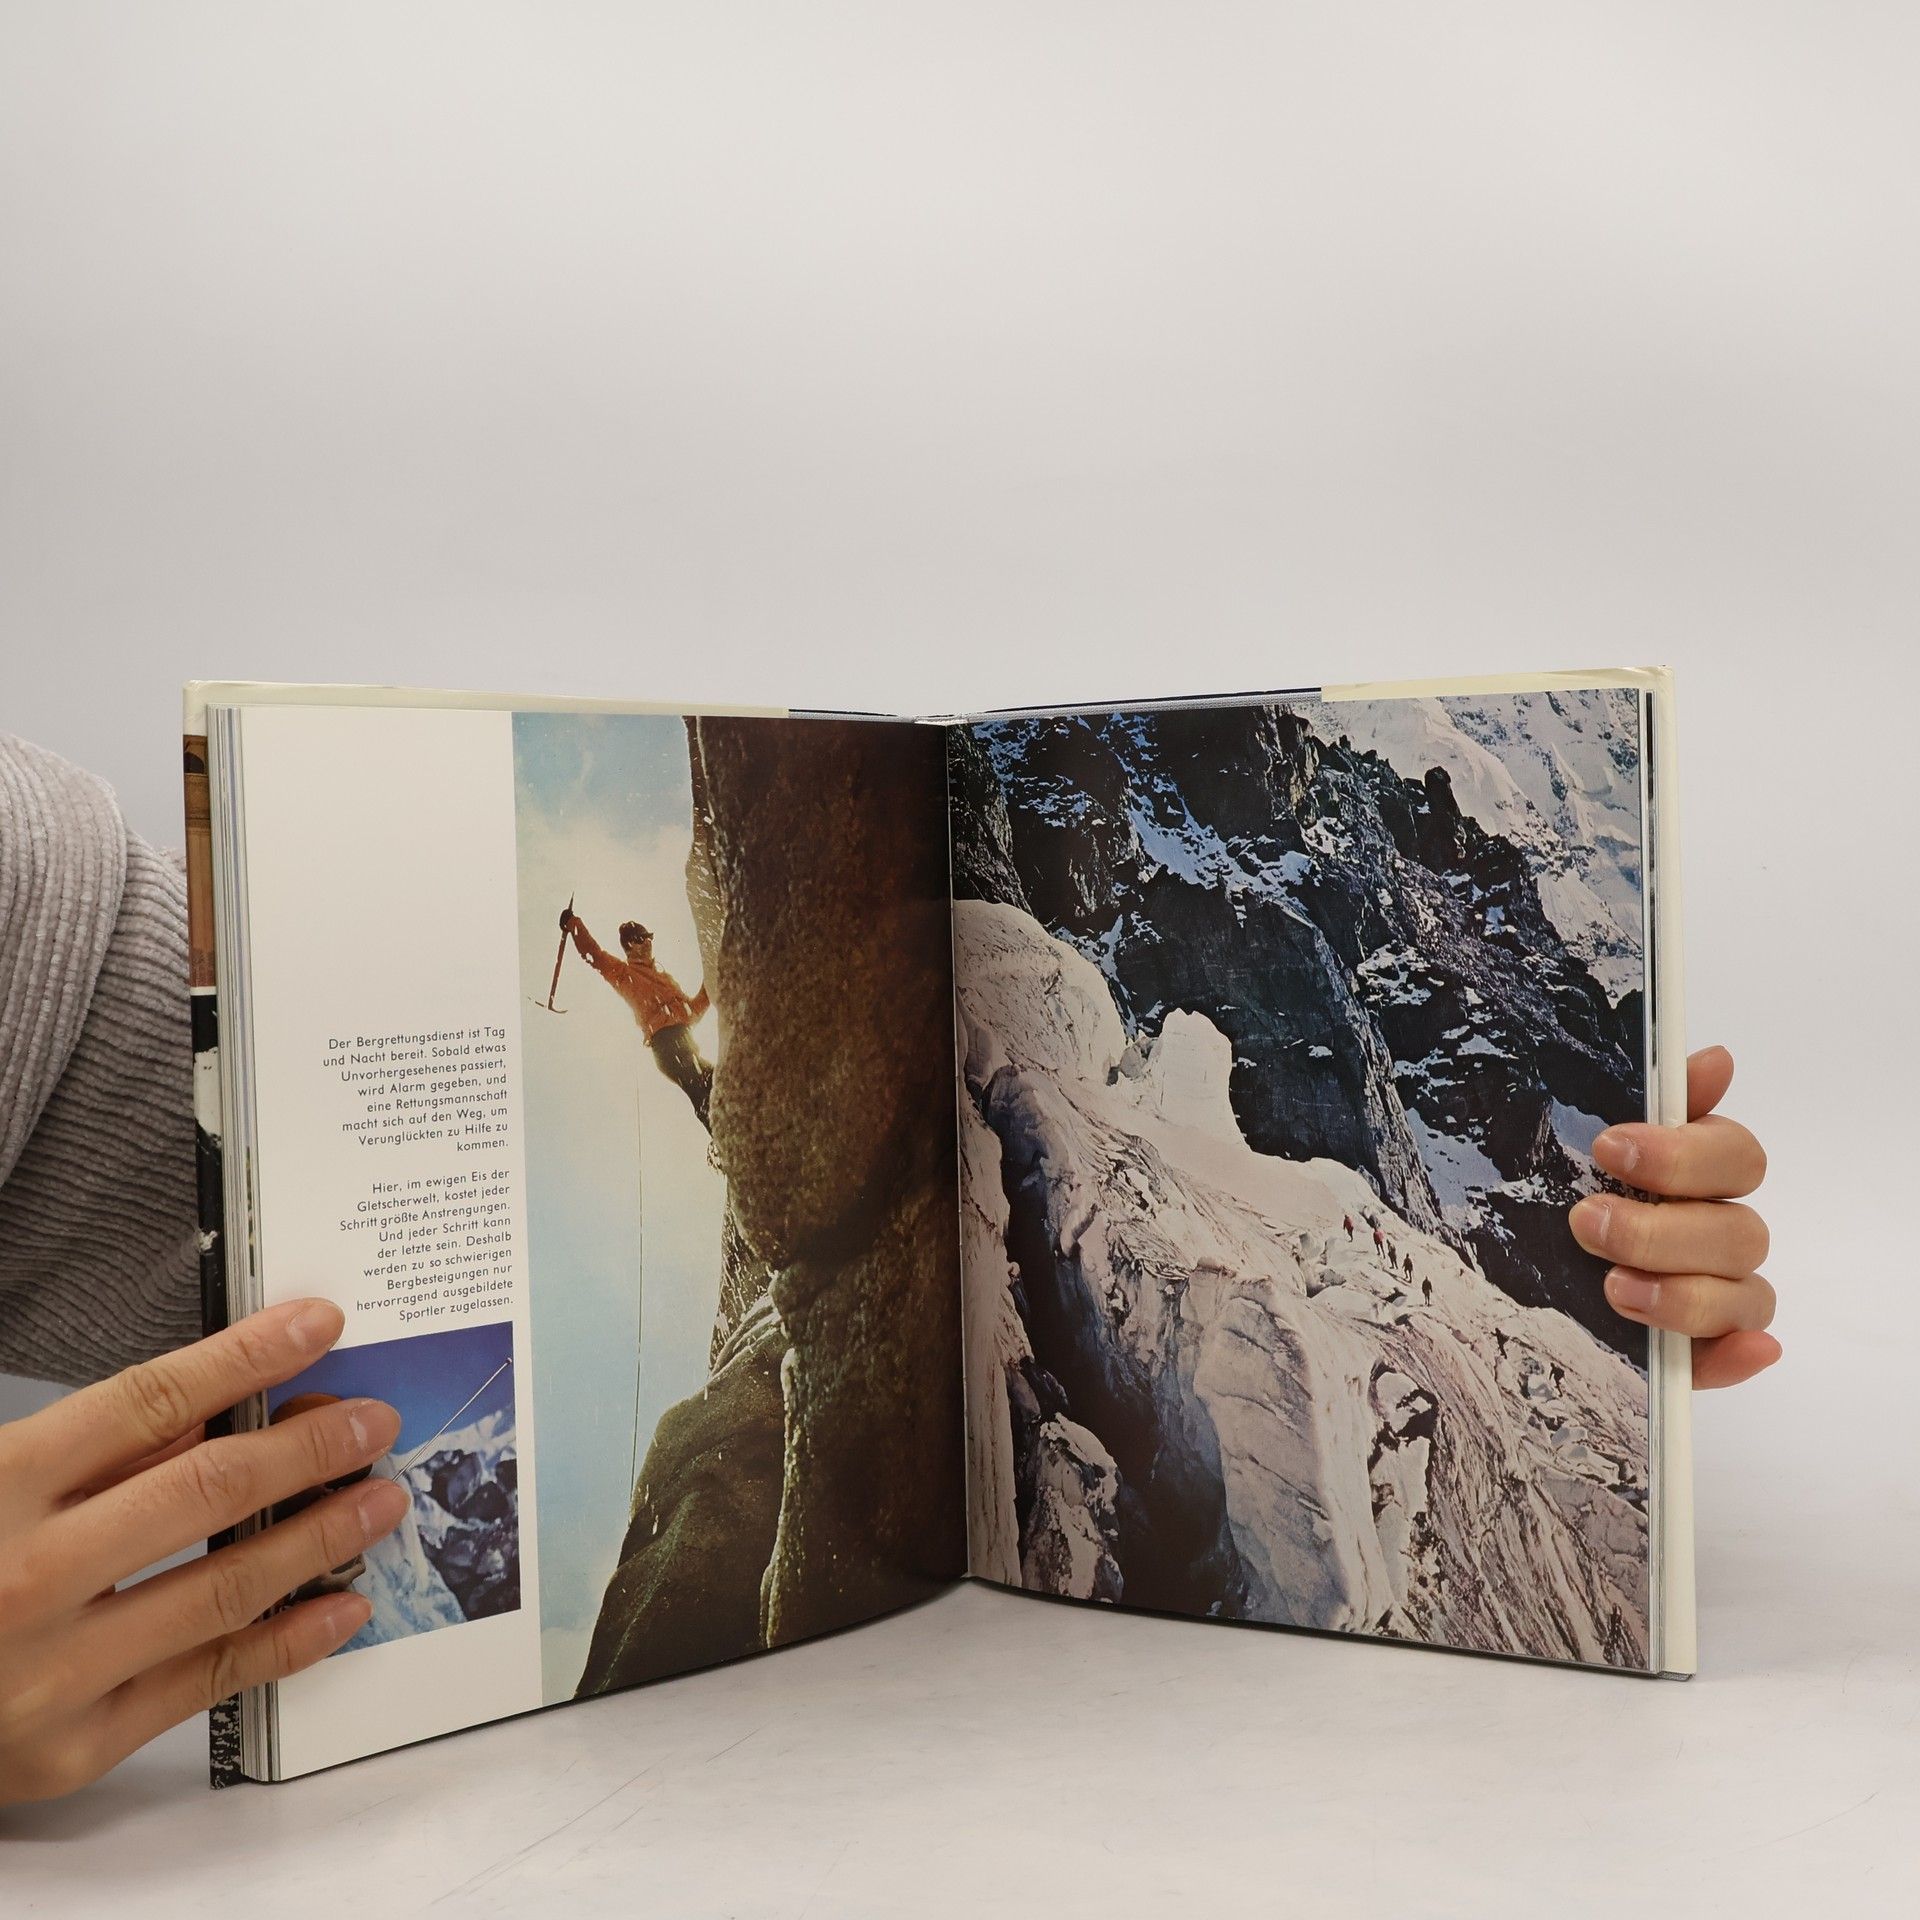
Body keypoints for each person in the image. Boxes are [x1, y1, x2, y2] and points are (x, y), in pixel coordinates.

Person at [0, 732, 1783, 1804]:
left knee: (727, 1150)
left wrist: (1586, 1294)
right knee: (719, 1169)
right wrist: (617, 978)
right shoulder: (660, 992)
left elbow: (130, 1080)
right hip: (712, 1081)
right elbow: (649, 1015)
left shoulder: (52, 926)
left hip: (712, 1073)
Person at [560, 907, 713, 1130]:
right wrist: (573, 923)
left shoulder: (665, 979)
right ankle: (726, 1138)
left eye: (649, 937)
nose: (648, 942)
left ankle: (739, 1131)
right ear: (630, 944)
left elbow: (691, 1012)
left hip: (685, 1042)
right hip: (666, 1044)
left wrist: (711, 983)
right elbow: (595, 955)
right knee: (699, 1088)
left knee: (718, 1080)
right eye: (641, 938)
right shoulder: (624, 974)